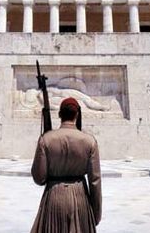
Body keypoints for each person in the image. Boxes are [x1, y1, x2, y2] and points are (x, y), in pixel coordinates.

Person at [31, 97, 102, 233]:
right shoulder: (90, 141)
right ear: (77, 115)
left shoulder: (46, 139)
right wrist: (96, 214)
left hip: (54, 197)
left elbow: (39, 178)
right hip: (80, 197)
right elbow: (95, 181)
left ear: (59, 115)